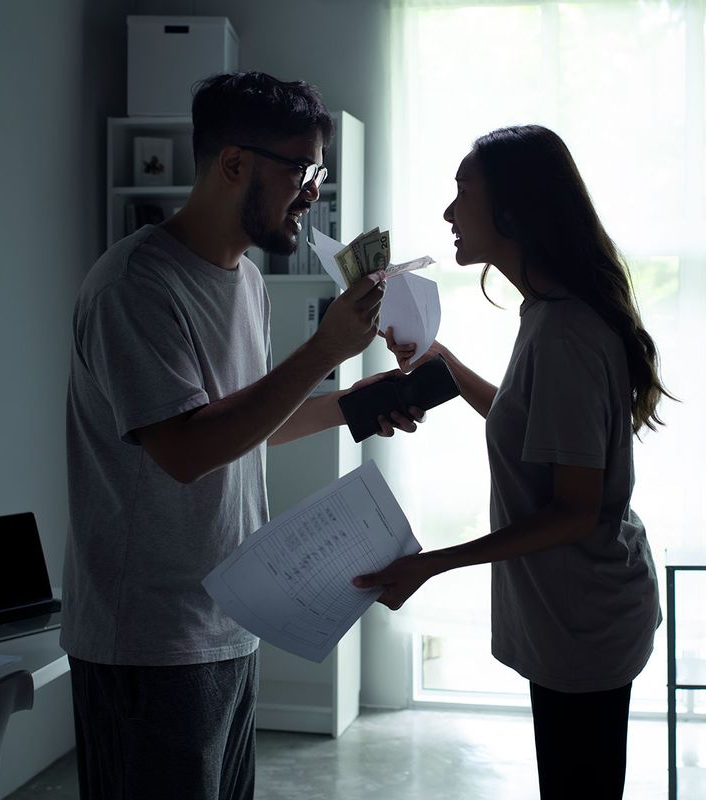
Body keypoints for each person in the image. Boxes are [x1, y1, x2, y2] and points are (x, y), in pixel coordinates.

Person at [62, 71, 421, 800]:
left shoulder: (247, 280)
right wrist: (323, 350)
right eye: (299, 169)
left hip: (228, 614)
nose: (312, 191)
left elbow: (242, 427)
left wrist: (351, 402)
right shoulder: (135, 285)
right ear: (234, 164)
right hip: (147, 638)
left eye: (315, 170)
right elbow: (187, 451)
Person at [354, 124, 673, 799]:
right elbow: (534, 425)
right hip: (574, 611)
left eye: (462, 192)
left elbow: (574, 511)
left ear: (513, 210)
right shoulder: (546, 313)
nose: (448, 213)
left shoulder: (564, 331)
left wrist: (429, 564)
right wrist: (443, 365)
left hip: (584, 620)